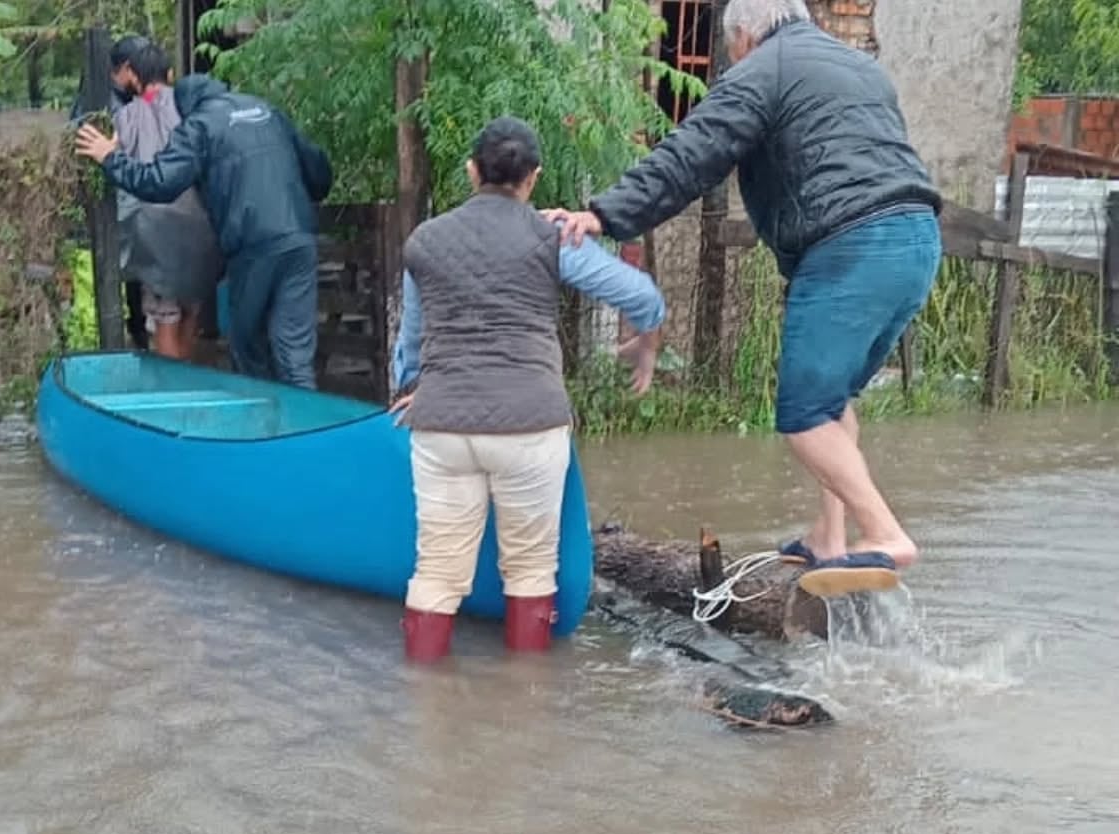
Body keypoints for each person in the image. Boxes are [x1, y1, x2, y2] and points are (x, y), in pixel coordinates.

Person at [546, 0, 941, 597]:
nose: (731, 59)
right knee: (832, 403)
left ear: (742, 36)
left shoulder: (764, 69)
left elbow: (689, 155)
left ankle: (885, 533)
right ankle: (827, 538)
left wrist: (602, 214)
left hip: (849, 244)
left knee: (803, 416)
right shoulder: (861, 68)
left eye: (729, 50)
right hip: (916, 239)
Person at [391, 117, 666, 663]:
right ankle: (527, 712)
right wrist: (645, 344)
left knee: (439, 571)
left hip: (442, 424)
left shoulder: (425, 240)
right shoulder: (553, 236)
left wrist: (411, 388)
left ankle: (422, 708)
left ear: (472, 171)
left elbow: (412, 340)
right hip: (530, 426)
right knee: (531, 569)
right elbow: (643, 297)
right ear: (533, 178)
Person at [75, 76, 333, 388]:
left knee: (247, 340)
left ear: (186, 106)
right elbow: (319, 172)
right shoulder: (267, 111)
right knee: (294, 348)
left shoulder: (200, 125)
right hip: (299, 239)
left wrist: (110, 157)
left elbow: (160, 182)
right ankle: (306, 425)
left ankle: (265, 423)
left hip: (253, 245)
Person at [112, 45, 223, 361]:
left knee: (164, 316)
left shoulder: (127, 116)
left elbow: (120, 167)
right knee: (191, 309)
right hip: (200, 226)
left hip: (154, 232)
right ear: (171, 74)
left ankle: (172, 388)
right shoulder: (192, 110)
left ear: (133, 76)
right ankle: (185, 371)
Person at [70, 36, 150, 349]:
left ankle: (133, 341)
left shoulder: (126, 101)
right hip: (105, 216)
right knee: (98, 294)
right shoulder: (98, 103)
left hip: (128, 216)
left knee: (129, 286)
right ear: (127, 69)